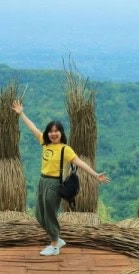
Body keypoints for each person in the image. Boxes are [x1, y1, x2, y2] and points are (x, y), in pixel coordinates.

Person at [11, 100, 110, 256]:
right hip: (42, 181)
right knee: (39, 214)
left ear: (61, 133)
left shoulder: (66, 149)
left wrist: (96, 174)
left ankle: (54, 245)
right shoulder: (45, 143)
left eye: (56, 131)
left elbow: (79, 162)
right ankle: (56, 238)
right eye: (51, 131)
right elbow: (32, 128)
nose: (53, 133)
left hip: (54, 184)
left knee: (50, 214)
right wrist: (21, 113)